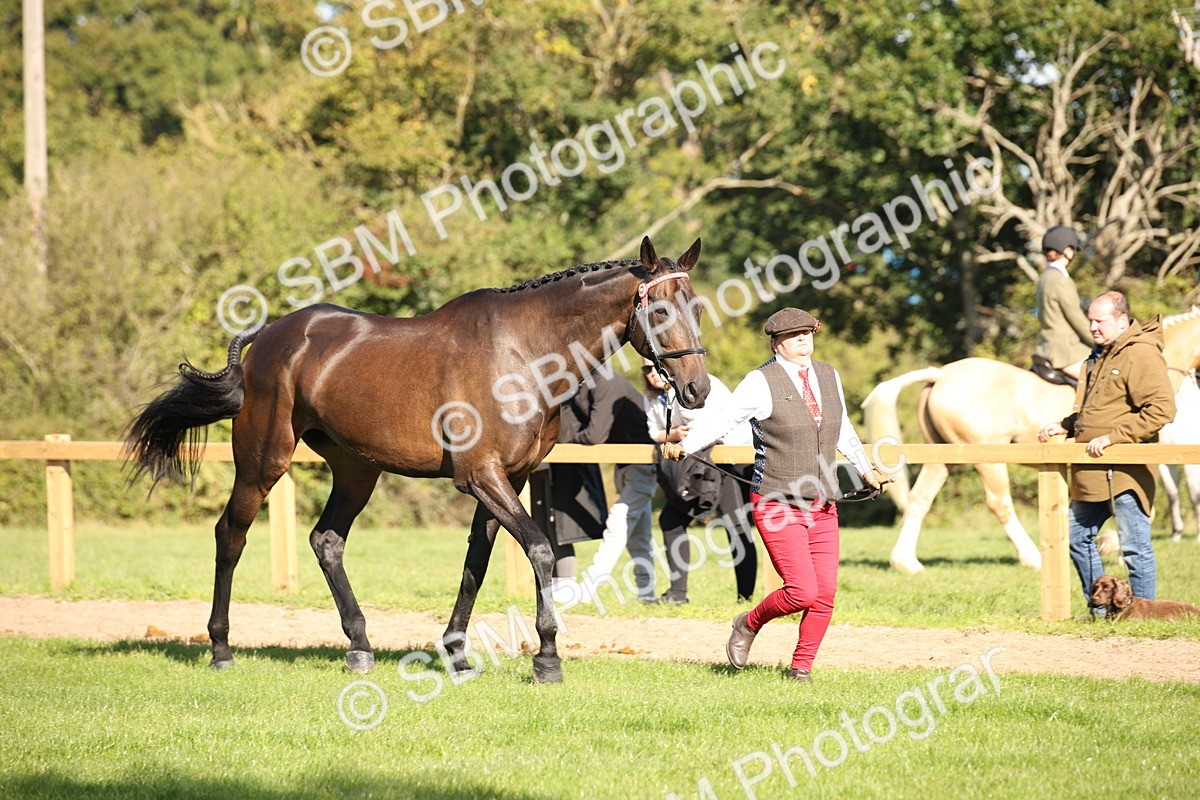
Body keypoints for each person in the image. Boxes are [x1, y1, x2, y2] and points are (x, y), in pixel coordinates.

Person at [662, 308, 886, 682]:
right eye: (793, 335)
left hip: (822, 500)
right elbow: (724, 419)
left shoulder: (829, 376)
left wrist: (866, 467)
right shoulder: (759, 381)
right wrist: (688, 446)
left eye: (807, 333)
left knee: (825, 594)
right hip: (776, 501)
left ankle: (800, 670)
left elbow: (842, 426)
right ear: (776, 342)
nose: (803, 340)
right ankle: (748, 623)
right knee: (802, 591)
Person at [1037, 291, 1176, 616]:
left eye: (1100, 321)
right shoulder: (1098, 354)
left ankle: (1141, 617)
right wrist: (1065, 426)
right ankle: (1103, 611)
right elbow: (1095, 409)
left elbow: (1161, 410)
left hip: (1125, 471)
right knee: (1075, 536)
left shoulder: (1140, 354)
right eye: (1090, 321)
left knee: (1134, 548)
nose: (1093, 328)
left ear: (1122, 319)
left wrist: (1115, 437)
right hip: (1090, 471)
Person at [643, 357, 758, 604]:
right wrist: (673, 435)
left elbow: (710, 427)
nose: (652, 372)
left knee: (736, 524)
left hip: (724, 458)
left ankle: (745, 598)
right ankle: (677, 593)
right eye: (646, 368)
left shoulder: (699, 384)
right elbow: (655, 431)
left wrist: (678, 436)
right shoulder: (654, 395)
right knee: (671, 520)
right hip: (693, 460)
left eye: (656, 366)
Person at [552, 368, 658, 606]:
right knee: (639, 537)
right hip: (626, 467)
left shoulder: (607, 383)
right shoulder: (583, 384)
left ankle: (587, 591)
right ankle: (647, 595)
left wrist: (565, 444)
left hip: (642, 468)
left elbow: (594, 435)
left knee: (617, 526)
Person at [1034, 225, 1092, 381]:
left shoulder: (1045, 278)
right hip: (1065, 351)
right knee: (1105, 381)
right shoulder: (1061, 280)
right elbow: (1077, 318)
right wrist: (1100, 341)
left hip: (1045, 347)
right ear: (1067, 250)